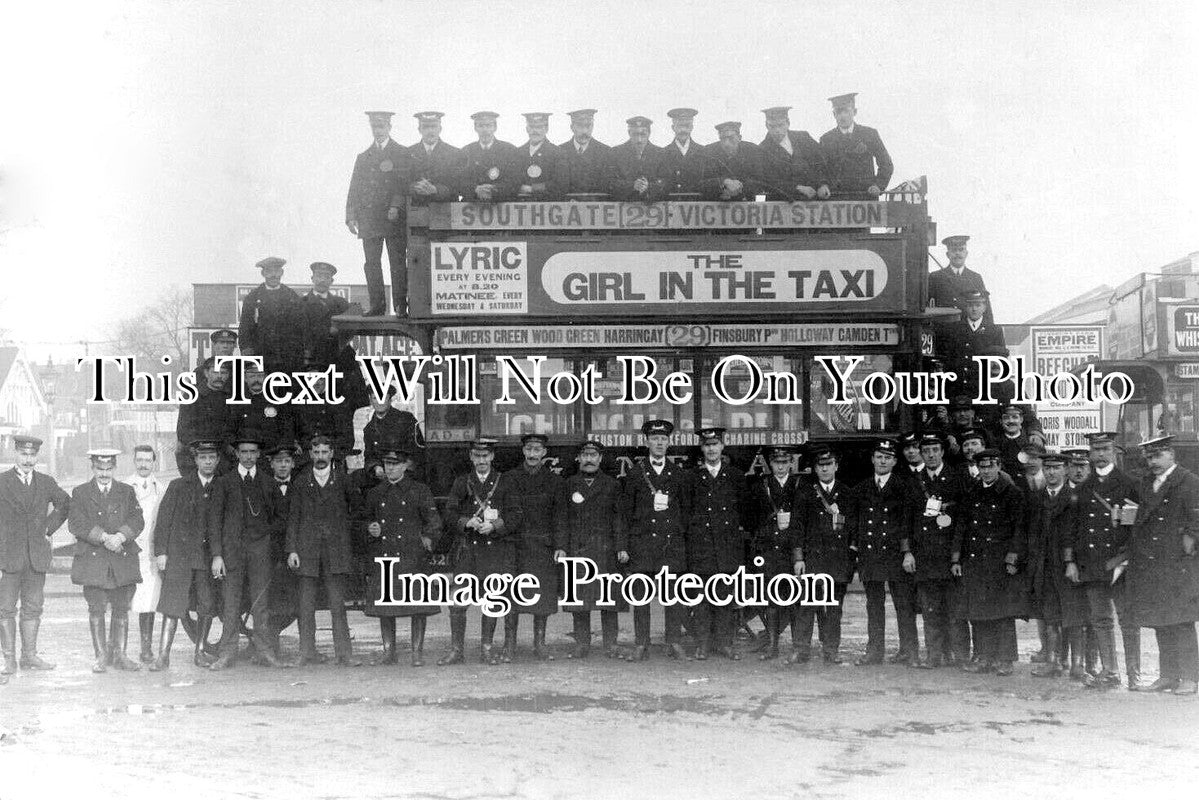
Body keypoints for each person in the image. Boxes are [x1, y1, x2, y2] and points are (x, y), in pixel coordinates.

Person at [1064, 431, 1142, 689]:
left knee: (1127, 620)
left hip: (1120, 563)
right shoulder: (1084, 488)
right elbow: (1073, 528)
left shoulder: (1128, 483)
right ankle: (1110, 671)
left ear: (1114, 451)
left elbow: (1133, 527)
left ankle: (1134, 674)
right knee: (1100, 619)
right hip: (1092, 563)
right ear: (1090, 453)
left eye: (1105, 449)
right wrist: (1071, 561)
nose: (1100, 454)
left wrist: (1128, 559)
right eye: (1095, 450)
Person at [1123, 435, 1199, 694]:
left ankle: (1190, 677)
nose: (1152, 462)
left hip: (1178, 563)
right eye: (1149, 457)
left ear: (1171, 454)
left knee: (1182, 621)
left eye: (1157, 456)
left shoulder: (1188, 482)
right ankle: (1168, 675)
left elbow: (1196, 518)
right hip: (1151, 562)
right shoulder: (1146, 484)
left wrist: (1190, 541)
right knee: (1160, 620)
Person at [440, 438, 523, 665]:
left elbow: (516, 515)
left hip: (495, 550)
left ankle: (486, 649)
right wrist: (467, 522)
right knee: (458, 602)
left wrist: (495, 525)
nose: (481, 461)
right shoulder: (461, 482)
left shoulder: (505, 482)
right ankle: (457, 650)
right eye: (477, 456)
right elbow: (448, 514)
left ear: (492, 457)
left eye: (485, 456)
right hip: (468, 550)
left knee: (492, 601)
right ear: (471, 457)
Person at [209, 433, 289, 669]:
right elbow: (215, 522)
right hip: (231, 553)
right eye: (244, 452)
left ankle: (265, 651)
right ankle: (226, 653)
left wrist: (265, 540)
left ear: (259, 454)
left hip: (259, 554)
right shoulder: (224, 483)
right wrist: (217, 555)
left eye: (253, 452)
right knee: (230, 604)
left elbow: (280, 519)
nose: (248, 457)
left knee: (260, 604)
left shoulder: (267, 483)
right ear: (236, 454)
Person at [362, 443, 441, 667]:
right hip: (386, 557)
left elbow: (434, 522)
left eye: (395, 464)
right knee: (386, 607)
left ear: (406, 466)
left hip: (412, 556)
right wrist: (370, 528)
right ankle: (389, 652)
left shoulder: (419, 490)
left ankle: (417, 652)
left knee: (418, 606)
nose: (390, 468)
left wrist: (427, 541)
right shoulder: (376, 493)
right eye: (387, 464)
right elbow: (363, 521)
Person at [952, 448, 1030, 675]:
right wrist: (956, 558)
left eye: (990, 466)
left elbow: (1019, 528)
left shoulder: (1011, 493)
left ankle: (1004, 659)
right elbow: (962, 527)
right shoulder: (972, 492)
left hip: (999, 561)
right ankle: (984, 657)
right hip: (975, 559)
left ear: (999, 467)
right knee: (978, 612)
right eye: (982, 467)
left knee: (1003, 612)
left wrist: (1013, 557)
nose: (986, 471)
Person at [287, 434, 362, 666]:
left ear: (331, 454)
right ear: (310, 454)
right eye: (316, 452)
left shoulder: (343, 480)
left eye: (324, 452)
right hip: (307, 551)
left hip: (335, 551)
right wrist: (292, 550)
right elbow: (293, 518)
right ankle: (306, 653)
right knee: (306, 605)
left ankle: (344, 654)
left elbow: (356, 511)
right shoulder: (301, 481)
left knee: (337, 604)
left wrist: (343, 535)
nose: (320, 457)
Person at [0, 434, 69, 681]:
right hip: (7, 558)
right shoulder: (2, 481)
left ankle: (29, 656)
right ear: (15, 454)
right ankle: (8, 660)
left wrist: (48, 529)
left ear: (36, 456)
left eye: (32, 455)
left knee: (33, 608)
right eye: (23, 454)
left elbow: (65, 504)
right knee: (5, 609)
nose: (28, 460)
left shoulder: (46, 482)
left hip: (36, 557)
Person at [68, 448, 144, 673]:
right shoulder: (80, 493)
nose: (104, 473)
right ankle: (101, 656)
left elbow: (137, 519)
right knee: (96, 608)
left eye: (108, 468)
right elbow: (76, 523)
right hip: (94, 562)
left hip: (121, 559)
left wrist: (121, 536)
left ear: (114, 468)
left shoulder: (127, 491)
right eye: (100, 469)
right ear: (92, 468)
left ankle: (120, 655)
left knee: (122, 608)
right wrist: (103, 537)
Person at [849, 439, 922, 665]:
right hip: (871, 555)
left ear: (894, 461)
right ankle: (874, 651)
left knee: (904, 604)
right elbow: (855, 522)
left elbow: (909, 522)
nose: (883, 461)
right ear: (872, 459)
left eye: (888, 457)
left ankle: (909, 651)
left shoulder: (904, 487)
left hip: (895, 554)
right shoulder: (861, 488)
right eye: (879, 456)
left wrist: (908, 552)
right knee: (874, 605)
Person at [151, 440, 222, 670]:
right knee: (173, 604)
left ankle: (199, 652)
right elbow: (163, 522)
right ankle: (163, 656)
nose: (208, 462)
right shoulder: (178, 486)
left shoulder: (221, 487)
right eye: (203, 458)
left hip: (206, 558)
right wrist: (161, 553)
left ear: (217, 460)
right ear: (196, 460)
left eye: (212, 458)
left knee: (206, 604)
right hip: (179, 556)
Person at [621, 419, 689, 661]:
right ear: (646, 442)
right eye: (655, 439)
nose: (659, 443)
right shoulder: (635, 474)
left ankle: (673, 641)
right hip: (642, 545)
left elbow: (686, 512)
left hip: (670, 545)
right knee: (641, 596)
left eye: (663, 439)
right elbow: (625, 514)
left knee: (673, 596)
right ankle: (641, 643)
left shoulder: (679, 474)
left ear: (669, 442)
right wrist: (624, 546)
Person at [558, 440, 627, 659]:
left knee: (609, 599)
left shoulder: (613, 485)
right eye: (585, 455)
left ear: (600, 458)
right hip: (577, 549)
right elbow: (561, 519)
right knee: (579, 599)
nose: (589, 459)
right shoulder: (568, 484)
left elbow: (619, 518)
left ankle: (611, 644)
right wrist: (561, 546)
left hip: (605, 549)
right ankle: (582, 643)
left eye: (593, 455)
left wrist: (621, 547)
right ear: (578, 458)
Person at [910, 433, 971, 668]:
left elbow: (963, 519)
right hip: (925, 555)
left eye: (935, 450)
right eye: (927, 451)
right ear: (922, 454)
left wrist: (957, 555)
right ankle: (934, 655)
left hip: (950, 554)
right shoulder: (916, 481)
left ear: (943, 452)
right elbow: (909, 519)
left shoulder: (956, 478)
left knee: (956, 610)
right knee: (930, 609)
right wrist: (909, 552)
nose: (931, 455)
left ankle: (961, 656)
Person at [685, 427, 746, 660]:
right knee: (700, 599)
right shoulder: (692, 478)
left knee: (724, 598)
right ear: (702, 449)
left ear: (722, 447)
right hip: (701, 549)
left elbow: (743, 512)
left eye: (715, 444)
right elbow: (686, 514)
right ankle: (703, 643)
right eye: (707, 445)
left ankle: (724, 644)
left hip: (726, 548)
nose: (711, 449)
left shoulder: (735, 477)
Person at [1027, 453, 1089, 678]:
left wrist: (1072, 561)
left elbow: (1078, 534)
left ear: (1065, 470)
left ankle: (1077, 665)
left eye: (1056, 468)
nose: (1051, 472)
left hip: (1069, 566)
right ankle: (1053, 662)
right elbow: (1031, 533)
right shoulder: (1036, 498)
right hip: (1044, 566)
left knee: (1074, 616)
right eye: (1048, 468)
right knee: (1051, 615)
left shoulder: (1075, 497)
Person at [502, 433, 563, 662]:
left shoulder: (555, 481)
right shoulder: (509, 478)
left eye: (537, 450)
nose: (532, 454)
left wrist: (560, 546)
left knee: (542, 597)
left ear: (544, 453)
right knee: (511, 597)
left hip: (543, 547)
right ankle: (509, 646)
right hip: (515, 546)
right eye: (529, 449)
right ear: (523, 451)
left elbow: (560, 517)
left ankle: (540, 644)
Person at [792, 445, 853, 664]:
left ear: (836, 466)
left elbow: (853, 528)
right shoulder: (806, 493)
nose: (825, 469)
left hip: (837, 560)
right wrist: (799, 558)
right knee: (807, 607)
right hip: (813, 560)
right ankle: (801, 649)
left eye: (829, 465)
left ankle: (831, 650)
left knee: (834, 609)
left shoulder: (847, 493)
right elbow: (797, 527)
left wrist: (851, 558)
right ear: (815, 468)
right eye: (820, 465)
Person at [346, 111, 408, 317]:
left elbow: (404, 184)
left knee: (397, 262)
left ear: (389, 127)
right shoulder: (363, 157)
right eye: (375, 127)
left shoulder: (400, 152)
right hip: (369, 218)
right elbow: (355, 187)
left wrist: (396, 206)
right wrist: (351, 214)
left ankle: (400, 305)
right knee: (372, 263)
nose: (378, 131)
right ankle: (377, 305)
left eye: (381, 127)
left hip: (393, 218)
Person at [747, 445, 801, 660]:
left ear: (791, 463)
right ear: (771, 464)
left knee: (795, 599)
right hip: (768, 549)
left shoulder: (799, 485)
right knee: (771, 601)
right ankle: (772, 644)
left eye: (784, 462)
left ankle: (798, 646)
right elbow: (752, 517)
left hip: (791, 549)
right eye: (776, 463)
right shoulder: (761, 486)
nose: (780, 466)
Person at [127, 445, 166, 664]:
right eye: (140, 460)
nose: (143, 464)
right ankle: (117, 651)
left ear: (154, 463)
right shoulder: (124, 486)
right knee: (123, 602)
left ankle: (146, 649)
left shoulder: (160, 488)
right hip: (128, 552)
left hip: (150, 552)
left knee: (148, 603)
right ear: (134, 461)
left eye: (148, 460)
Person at [819, 92, 893, 199]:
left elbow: (886, 164)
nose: (842, 116)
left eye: (846, 111)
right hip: (837, 200)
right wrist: (823, 185)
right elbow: (821, 168)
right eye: (838, 112)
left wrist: (878, 185)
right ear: (834, 115)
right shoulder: (826, 139)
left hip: (865, 199)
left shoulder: (869, 134)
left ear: (855, 112)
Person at [238, 256, 303, 374]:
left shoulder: (292, 296)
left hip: (287, 355)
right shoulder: (253, 297)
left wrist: (298, 351)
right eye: (269, 271)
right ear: (263, 273)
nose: (274, 275)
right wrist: (246, 349)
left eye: (277, 271)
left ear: (282, 273)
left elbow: (300, 326)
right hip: (261, 353)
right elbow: (245, 326)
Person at [938, 290, 1007, 400]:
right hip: (958, 389)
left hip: (983, 389)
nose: (974, 309)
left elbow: (1000, 361)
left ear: (984, 307)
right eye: (970, 305)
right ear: (966, 307)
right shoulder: (954, 329)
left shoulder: (994, 331)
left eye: (978, 305)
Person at [174, 358, 235, 476]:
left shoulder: (232, 397)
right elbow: (183, 430)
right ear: (206, 373)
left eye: (223, 373)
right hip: (196, 453)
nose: (219, 377)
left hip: (223, 454)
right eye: (215, 372)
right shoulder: (192, 395)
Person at [757, 106, 829, 200]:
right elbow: (768, 182)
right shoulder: (762, 149)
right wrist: (797, 188)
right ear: (766, 125)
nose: (777, 130)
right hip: (782, 204)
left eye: (780, 125)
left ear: (788, 123)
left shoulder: (804, 137)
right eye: (772, 126)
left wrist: (823, 184)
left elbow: (820, 162)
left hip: (814, 200)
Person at [233, 364, 297, 466]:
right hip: (246, 457)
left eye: (260, 376)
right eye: (252, 376)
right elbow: (230, 432)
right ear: (245, 379)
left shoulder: (278, 400)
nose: (256, 380)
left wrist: (279, 454)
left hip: (272, 456)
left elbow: (287, 430)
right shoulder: (237, 402)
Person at [927, 235, 994, 325]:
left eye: (961, 249)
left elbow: (986, 309)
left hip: (968, 331)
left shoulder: (975, 278)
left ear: (966, 253)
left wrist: (989, 332)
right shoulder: (935, 277)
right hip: (944, 330)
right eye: (954, 250)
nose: (957, 253)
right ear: (948, 254)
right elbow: (928, 307)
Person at [298, 262, 350, 368]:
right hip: (312, 358)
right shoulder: (301, 303)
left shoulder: (341, 304)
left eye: (326, 276)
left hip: (337, 357)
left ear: (332, 281)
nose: (322, 280)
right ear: (312, 278)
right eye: (319, 276)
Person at [458, 111, 519, 202]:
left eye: (488, 125)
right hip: (473, 205)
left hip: (501, 204)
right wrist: (475, 189)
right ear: (475, 128)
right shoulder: (466, 151)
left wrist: (494, 190)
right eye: (481, 126)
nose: (485, 130)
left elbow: (515, 180)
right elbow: (459, 181)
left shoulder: (509, 150)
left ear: (495, 127)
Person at [658, 107, 713, 198]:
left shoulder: (704, 152)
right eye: (680, 126)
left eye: (686, 126)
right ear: (673, 128)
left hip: (698, 206)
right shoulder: (663, 153)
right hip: (672, 206)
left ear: (692, 127)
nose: (683, 130)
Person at [407, 111, 461, 204]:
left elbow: (459, 186)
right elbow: (401, 183)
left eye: (433, 126)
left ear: (440, 129)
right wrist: (416, 187)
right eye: (426, 127)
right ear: (419, 129)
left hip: (445, 210)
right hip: (417, 210)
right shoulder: (408, 153)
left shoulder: (455, 153)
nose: (430, 131)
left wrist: (436, 190)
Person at [558, 108, 613, 196]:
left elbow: (607, 185)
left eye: (588, 126)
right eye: (580, 126)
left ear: (593, 126)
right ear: (572, 127)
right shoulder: (559, 151)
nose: (584, 131)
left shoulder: (606, 152)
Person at [609, 116, 666, 201]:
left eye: (643, 134)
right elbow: (609, 182)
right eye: (635, 134)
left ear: (649, 133)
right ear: (629, 133)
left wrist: (649, 186)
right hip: (622, 208)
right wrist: (632, 186)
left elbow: (667, 182)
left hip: (654, 208)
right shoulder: (615, 153)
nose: (639, 140)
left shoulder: (661, 154)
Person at [707, 121, 768, 201]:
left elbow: (760, 181)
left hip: (746, 205)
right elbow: (701, 182)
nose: (726, 143)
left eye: (731, 138)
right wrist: (723, 182)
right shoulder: (709, 152)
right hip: (715, 206)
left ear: (739, 138)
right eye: (722, 139)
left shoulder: (753, 151)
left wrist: (739, 188)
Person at [514, 113, 564, 200]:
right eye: (532, 127)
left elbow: (561, 184)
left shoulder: (557, 152)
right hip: (521, 208)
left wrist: (532, 189)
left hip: (547, 207)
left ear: (546, 129)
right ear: (527, 129)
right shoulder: (517, 153)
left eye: (539, 127)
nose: (535, 131)